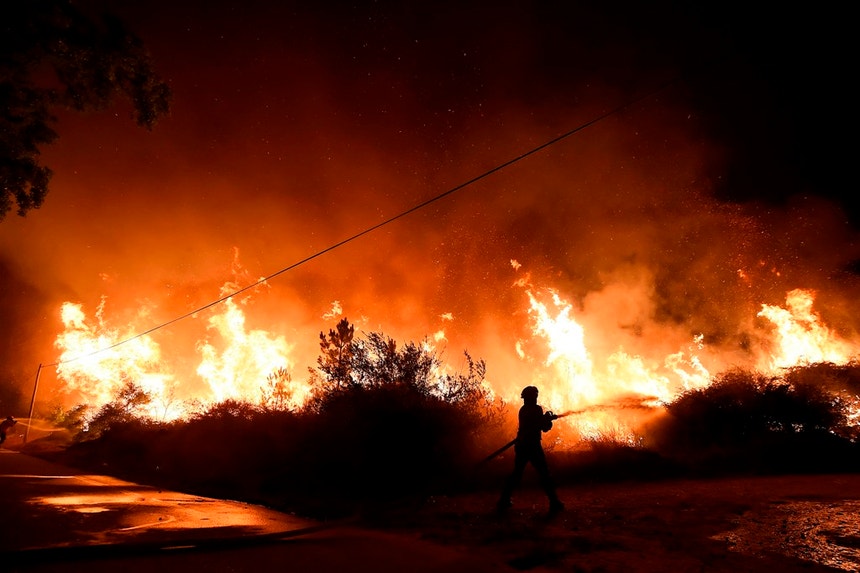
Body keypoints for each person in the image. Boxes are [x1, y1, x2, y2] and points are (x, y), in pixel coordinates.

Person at [497, 386, 564, 515]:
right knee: (544, 473)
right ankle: (554, 502)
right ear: (533, 397)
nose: (535, 398)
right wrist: (547, 420)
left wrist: (546, 419)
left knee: (517, 473)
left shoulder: (523, 410)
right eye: (534, 396)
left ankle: (504, 499)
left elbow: (539, 424)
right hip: (532, 446)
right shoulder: (536, 409)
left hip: (522, 445)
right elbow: (544, 427)